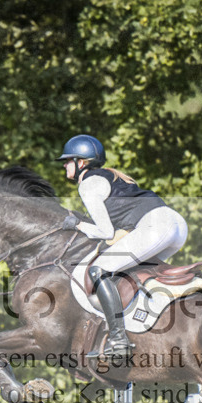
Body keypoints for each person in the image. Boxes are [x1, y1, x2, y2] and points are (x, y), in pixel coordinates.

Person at [56, 134, 188, 358]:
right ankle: (144, 321)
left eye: (68, 160)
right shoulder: (112, 176)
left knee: (99, 270)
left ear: (82, 162)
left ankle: (118, 339)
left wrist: (77, 225)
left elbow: (105, 232)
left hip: (156, 226)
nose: (65, 165)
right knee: (132, 270)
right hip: (176, 225)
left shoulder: (88, 184)